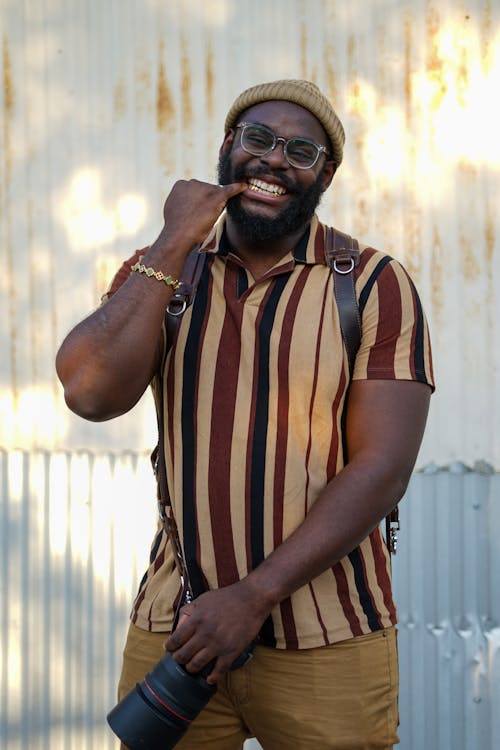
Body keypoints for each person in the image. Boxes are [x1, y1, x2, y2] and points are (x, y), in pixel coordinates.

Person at [56, 79, 434, 749]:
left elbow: (381, 469)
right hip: (178, 627)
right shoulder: (163, 272)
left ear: (326, 174)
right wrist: (173, 242)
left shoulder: (373, 283)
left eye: (301, 150)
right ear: (228, 148)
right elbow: (90, 394)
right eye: (258, 138)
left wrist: (254, 595)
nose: (274, 160)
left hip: (330, 632)